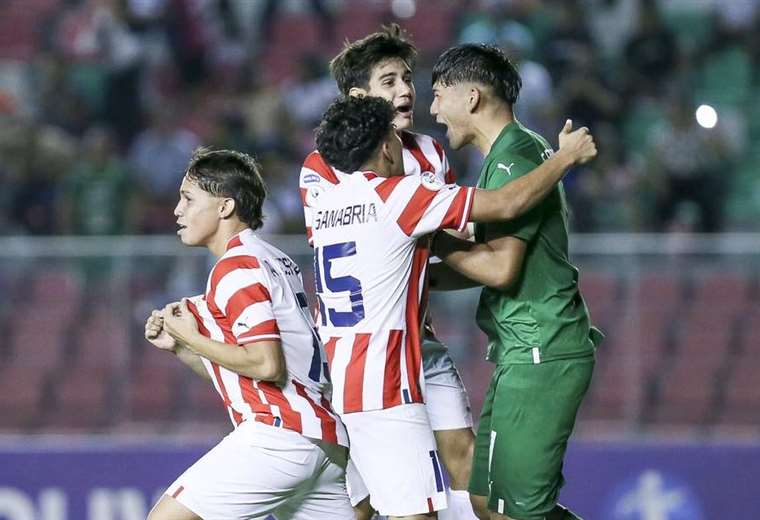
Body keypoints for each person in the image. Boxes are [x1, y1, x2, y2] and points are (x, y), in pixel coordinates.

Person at [309, 95, 595, 520]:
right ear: (386, 147)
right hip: (389, 385)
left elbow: (407, 274)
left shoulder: (326, 206)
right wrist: (565, 158)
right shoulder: (398, 196)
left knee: (377, 508)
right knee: (416, 515)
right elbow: (506, 204)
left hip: (345, 381)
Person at [298, 25, 477, 520]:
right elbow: (370, 239)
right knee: (373, 495)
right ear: (360, 97)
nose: (404, 91)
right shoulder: (322, 165)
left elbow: (446, 240)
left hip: (420, 337)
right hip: (362, 350)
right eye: (388, 81)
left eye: (407, 78)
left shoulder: (432, 152)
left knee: (465, 455)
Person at [428, 43, 603, 520]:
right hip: (523, 349)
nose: (432, 109)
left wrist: (429, 236)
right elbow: (496, 262)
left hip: (541, 349)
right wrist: (424, 279)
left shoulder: (515, 161)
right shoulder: (514, 155)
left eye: (439, 94)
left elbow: (500, 268)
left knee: (517, 512)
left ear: (471, 98)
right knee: (486, 503)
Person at [143, 148, 353, 520]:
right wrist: (182, 348)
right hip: (323, 443)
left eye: (188, 198)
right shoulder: (271, 258)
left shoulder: (236, 266)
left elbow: (267, 364)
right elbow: (245, 374)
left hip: (279, 438)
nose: (177, 210)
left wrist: (190, 335)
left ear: (225, 207)